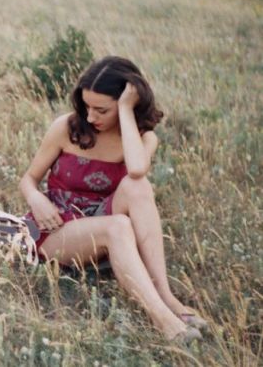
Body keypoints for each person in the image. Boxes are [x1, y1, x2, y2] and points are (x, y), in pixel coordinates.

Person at [19, 56, 206, 341]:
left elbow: (136, 169)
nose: (91, 117)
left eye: (101, 110)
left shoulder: (143, 138)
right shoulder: (66, 128)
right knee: (117, 225)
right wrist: (35, 199)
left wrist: (125, 111)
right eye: (86, 107)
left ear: (126, 105)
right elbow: (28, 178)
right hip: (57, 228)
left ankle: (167, 297)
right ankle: (166, 323)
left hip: (102, 219)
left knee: (137, 186)